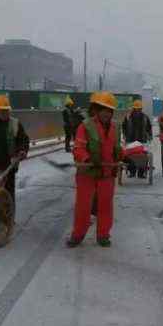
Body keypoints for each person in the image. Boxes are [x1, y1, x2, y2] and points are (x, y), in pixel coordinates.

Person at [68, 91, 123, 248]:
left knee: (105, 205)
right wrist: (88, 159)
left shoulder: (115, 127)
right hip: (87, 173)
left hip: (107, 173)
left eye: (109, 110)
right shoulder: (85, 126)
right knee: (83, 206)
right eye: (103, 110)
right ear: (96, 110)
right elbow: (78, 148)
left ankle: (103, 235)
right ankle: (78, 235)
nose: (107, 113)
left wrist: (121, 157)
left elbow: (116, 147)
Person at [122, 99, 152, 178]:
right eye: (136, 109)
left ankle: (141, 173)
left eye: (139, 109)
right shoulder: (128, 117)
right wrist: (125, 135)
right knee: (130, 157)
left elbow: (149, 128)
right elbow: (124, 127)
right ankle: (132, 171)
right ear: (133, 109)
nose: (137, 111)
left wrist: (150, 136)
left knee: (143, 157)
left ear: (141, 109)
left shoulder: (145, 118)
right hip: (131, 140)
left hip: (142, 141)